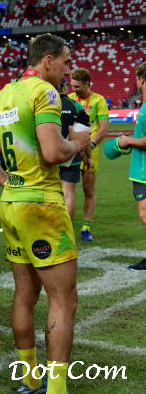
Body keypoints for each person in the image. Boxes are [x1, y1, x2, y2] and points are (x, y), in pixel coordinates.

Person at [0, 33, 91, 394]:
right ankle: (56, 389)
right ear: (48, 60)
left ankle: (30, 379)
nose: (67, 71)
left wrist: (6, 181)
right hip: (42, 205)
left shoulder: (2, 94)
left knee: (25, 294)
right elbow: (53, 152)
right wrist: (79, 143)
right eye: (65, 62)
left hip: (12, 203)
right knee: (63, 298)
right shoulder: (46, 93)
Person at [68, 68, 109, 241]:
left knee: (88, 190)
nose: (74, 89)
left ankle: (86, 227)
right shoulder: (70, 99)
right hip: (70, 151)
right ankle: (65, 226)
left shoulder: (99, 100)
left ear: (87, 83)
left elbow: (103, 128)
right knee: (66, 190)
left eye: (77, 86)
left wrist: (89, 146)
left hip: (91, 151)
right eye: (72, 86)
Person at [118, 61, 146, 271]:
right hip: (141, 169)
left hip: (143, 171)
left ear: (142, 80)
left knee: (145, 215)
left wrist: (128, 141)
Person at [57, 79, 90, 220]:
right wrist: (88, 157)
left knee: (50, 194)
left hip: (50, 154)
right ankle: (67, 228)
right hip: (72, 155)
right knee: (68, 194)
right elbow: (84, 134)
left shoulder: (44, 104)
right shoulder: (76, 105)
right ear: (65, 86)